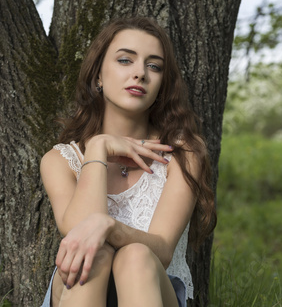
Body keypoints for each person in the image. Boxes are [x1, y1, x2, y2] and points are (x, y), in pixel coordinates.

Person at [39, 17, 216, 307]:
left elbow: (162, 250)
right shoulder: (60, 160)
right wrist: (98, 147)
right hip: (79, 289)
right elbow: (78, 237)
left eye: (154, 66)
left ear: (161, 84)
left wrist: (108, 226)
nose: (140, 74)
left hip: (151, 288)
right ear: (98, 75)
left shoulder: (181, 154)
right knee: (95, 255)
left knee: (136, 257)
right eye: (125, 60)